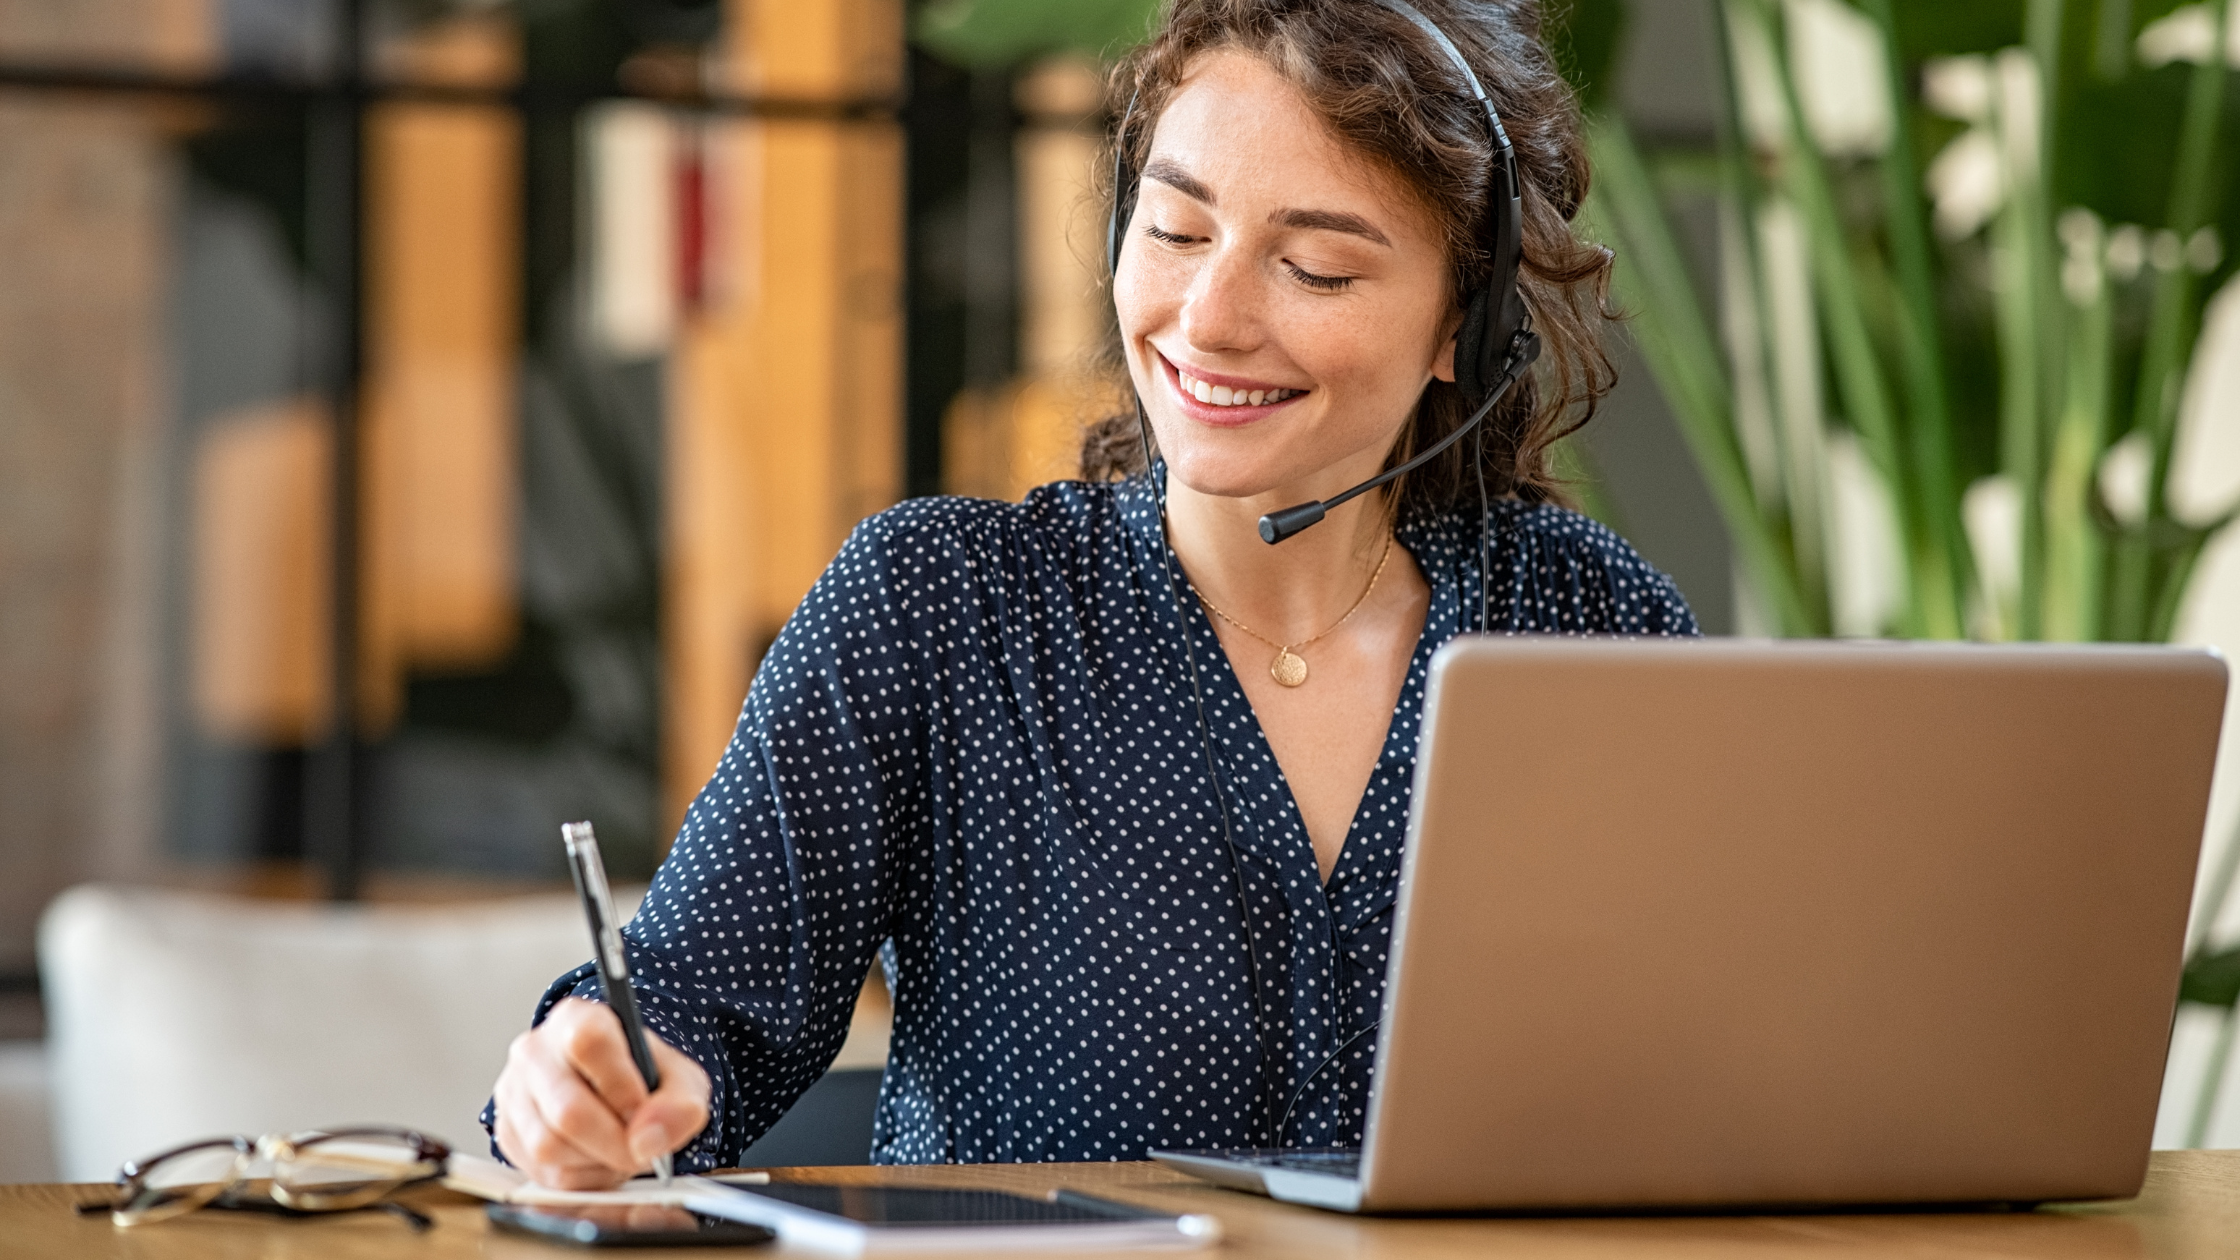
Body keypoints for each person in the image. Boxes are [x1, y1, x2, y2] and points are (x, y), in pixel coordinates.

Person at [486, 0, 1696, 1188]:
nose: (1208, 320)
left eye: (1316, 268)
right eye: (1174, 232)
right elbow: (678, 1020)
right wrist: (582, 1083)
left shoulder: (1590, 629)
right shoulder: (937, 610)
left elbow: (1729, 1059)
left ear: (1464, 329)